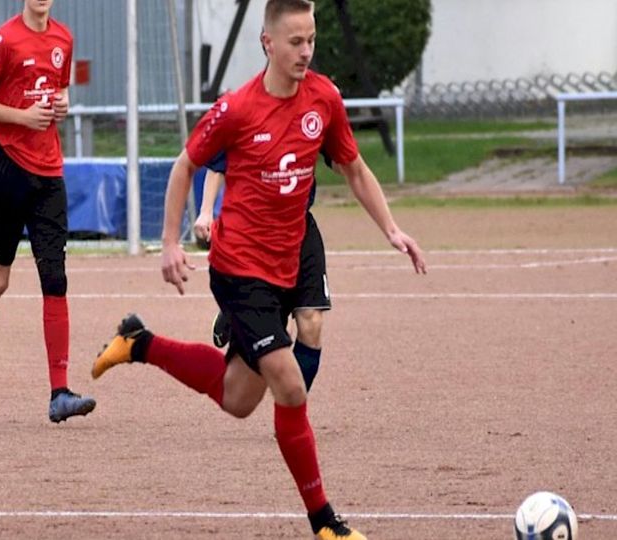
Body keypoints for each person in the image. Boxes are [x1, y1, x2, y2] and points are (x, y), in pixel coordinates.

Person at [93, 1, 427, 539]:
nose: (306, 51)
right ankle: (325, 524)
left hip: (288, 259)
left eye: (311, 39)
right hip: (239, 269)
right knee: (290, 386)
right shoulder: (237, 108)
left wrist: (391, 229)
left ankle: (139, 343)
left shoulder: (324, 98)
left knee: (238, 399)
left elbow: (354, 168)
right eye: (295, 41)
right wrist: (170, 242)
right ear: (268, 43)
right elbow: (185, 165)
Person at [0, 0, 95, 423]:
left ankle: (59, 393)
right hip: (8, 170)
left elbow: (59, 89)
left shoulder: (64, 38)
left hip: (49, 174)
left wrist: (62, 104)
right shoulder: (5, 41)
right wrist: (22, 116)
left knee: (55, 278)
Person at [195, 150, 330, 392]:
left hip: (300, 227)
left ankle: (293, 406)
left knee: (312, 322)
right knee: (273, 344)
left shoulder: (315, 124)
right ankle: (236, 312)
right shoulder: (247, 125)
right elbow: (218, 163)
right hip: (257, 233)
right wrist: (206, 212)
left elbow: (347, 162)